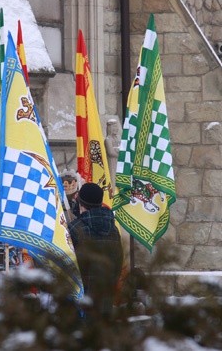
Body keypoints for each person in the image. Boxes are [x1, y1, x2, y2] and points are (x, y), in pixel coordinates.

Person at [67, 183, 123, 319]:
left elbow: (67, 264)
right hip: (106, 300)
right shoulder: (113, 229)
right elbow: (118, 263)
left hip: (80, 302)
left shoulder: (74, 229)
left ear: (80, 203)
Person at [105, 119, 120, 188]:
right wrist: (119, 154)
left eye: (117, 127)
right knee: (112, 176)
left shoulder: (118, 138)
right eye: (114, 127)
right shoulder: (108, 139)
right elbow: (110, 152)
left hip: (118, 161)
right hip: (112, 161)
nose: (116, 129)